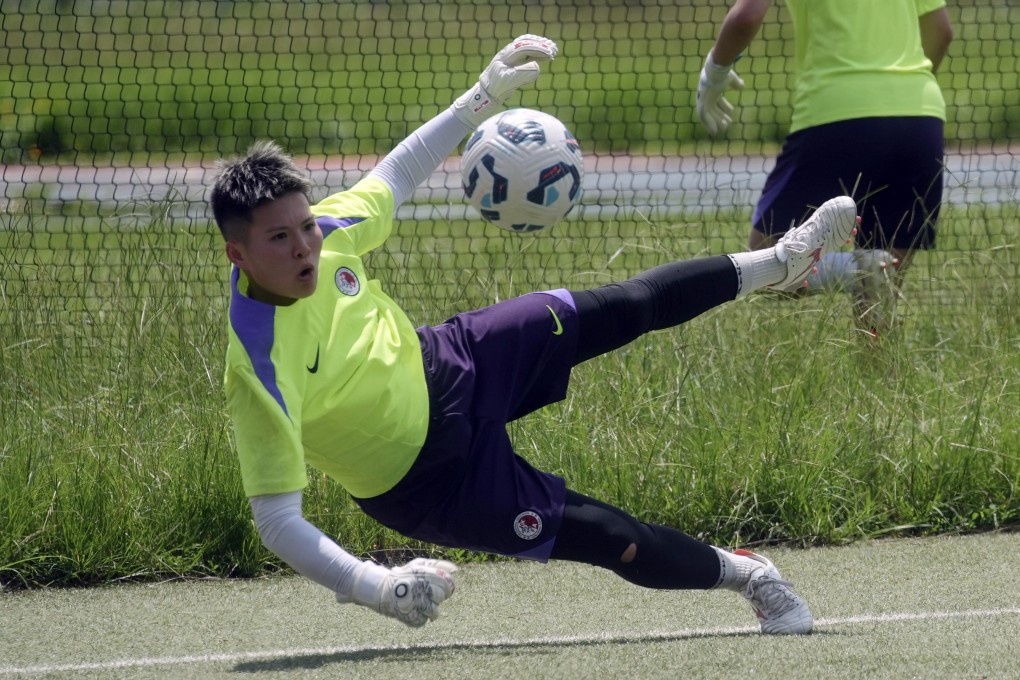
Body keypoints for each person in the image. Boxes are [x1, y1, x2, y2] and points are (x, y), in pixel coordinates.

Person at [210, 35, 858, 634]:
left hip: (454, 361)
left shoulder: (331, 233)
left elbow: (395, 175)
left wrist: (482, 97)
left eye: (307, 228)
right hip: (430, 483)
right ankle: (752, 575)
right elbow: (276, 521)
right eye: (279, 238)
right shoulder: (258, 365)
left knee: (625, 305)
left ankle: (783, 261)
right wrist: (375, 585)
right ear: (238, 255)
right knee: (613, 537)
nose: (305, 247)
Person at [697, 0, 953, 334]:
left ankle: (853, 271)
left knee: (760, 264)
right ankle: (878, 381)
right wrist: (897, 92)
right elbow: (942, 31)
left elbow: (747, 15)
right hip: (920, 115)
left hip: (836, 113)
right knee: (879, 297)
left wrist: (714, 73)